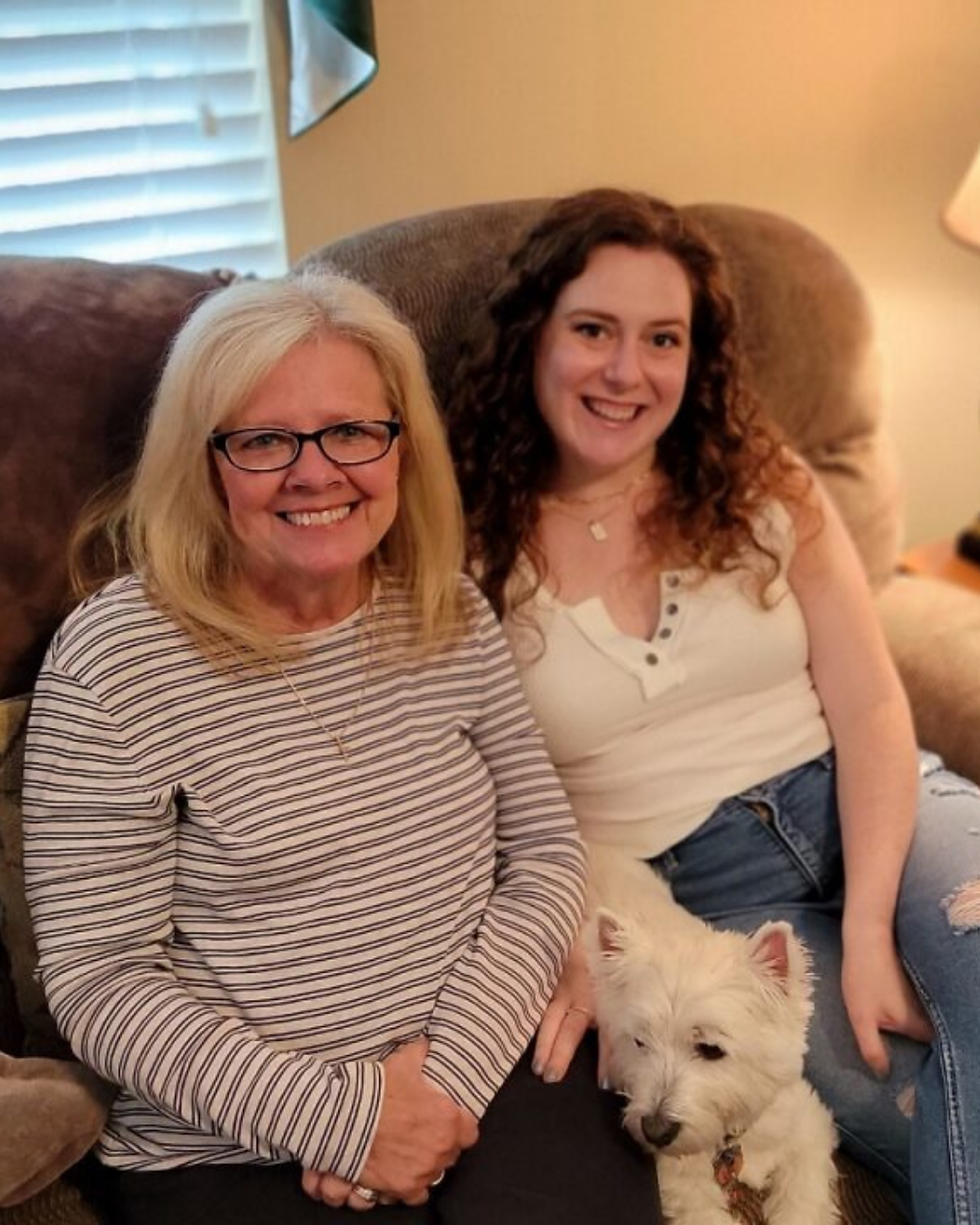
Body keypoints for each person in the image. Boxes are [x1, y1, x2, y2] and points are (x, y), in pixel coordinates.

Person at [22, 269, 661, 1225]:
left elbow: (543, 852)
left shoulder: (448, 610)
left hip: (488, 1069)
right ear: (203, 461)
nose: (315, 472)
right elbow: (99, 974)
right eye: (265, 439)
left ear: (401, 447)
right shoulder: (114, 658)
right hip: (227, 1138)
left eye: (353, 431)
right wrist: (343, 1119)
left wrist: (433, 1094)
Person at [447, 187, 980, 1225]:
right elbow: (476, 793)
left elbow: (871, 702)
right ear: (532, 340)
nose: (625, 370)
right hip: (704, 903)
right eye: (592, 330)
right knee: (907, 1093)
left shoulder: (762, 474)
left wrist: (868, 926)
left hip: (882, 805)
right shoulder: (467, 550)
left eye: (662, 338)